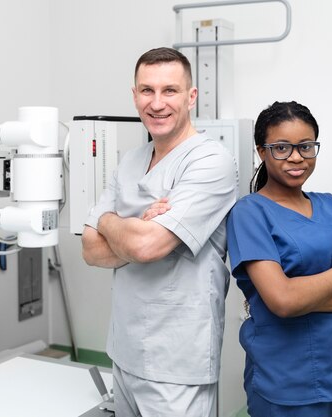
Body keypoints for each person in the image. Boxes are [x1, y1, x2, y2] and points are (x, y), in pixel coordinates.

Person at [81, 47, 238, 416]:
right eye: (146, 90)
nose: (157, 103)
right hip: (124, 352)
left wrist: (108, 220)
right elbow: (89, 249)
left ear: (191, 97)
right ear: (134, 96)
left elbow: (148, 245)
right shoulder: (130, 161)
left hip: (178, 363)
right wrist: (124, 227)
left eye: (170, 90)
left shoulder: (210, 161)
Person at [226, 101, 332, 417]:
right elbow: (284, 302)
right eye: (281, 148)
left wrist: (299, 297)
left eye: (306, 146)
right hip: (288, 385)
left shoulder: (330, 205)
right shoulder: (249, 214)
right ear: (262, 151)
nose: (296, 157)